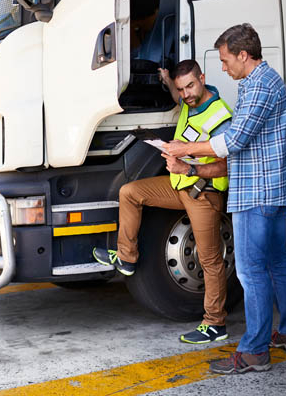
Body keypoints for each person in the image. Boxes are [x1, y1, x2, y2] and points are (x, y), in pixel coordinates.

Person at [164, 23, 286, 373]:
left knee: (251, 271)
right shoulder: (263, 83)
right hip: (269, 190)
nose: (223, 68)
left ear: (244, 55)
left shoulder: (259, 86)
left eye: (226, 60)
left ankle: (255, 351)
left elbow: (232, 142)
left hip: (257, 192)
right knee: (277, 262)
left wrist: (185, 148)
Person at [93, 59, 234, 344]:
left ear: (203, 79)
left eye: (190, 87)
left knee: (210, 261)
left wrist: (190, 168)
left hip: (203, 194)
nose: (186, 95)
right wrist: (168, 80)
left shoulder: (220, 116)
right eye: (182, 89)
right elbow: (175, 95)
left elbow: (228, 166)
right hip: (180, 186)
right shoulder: (188, 102)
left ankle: (215, 324)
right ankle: (127, 258)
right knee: (130, 193)